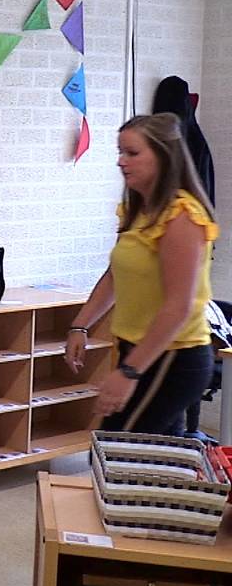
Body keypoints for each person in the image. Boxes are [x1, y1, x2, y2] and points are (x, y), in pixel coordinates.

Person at [64, 113, 219, 435]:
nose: (121, 162)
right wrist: (81, 325)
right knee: (156, 460)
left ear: (164, 156)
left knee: (117, 450)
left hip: (172, 357)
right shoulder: (137, 211)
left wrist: (129, 373)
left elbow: (179, 307)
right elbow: (115, 276)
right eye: (120, 152)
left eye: (132, 153)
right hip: (136, 348)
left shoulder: (182, 216)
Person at [152, 75, 218, 438]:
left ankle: (187, 433)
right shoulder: (196, 138)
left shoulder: (182, 211)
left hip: (182, 340)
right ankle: (187, 430)